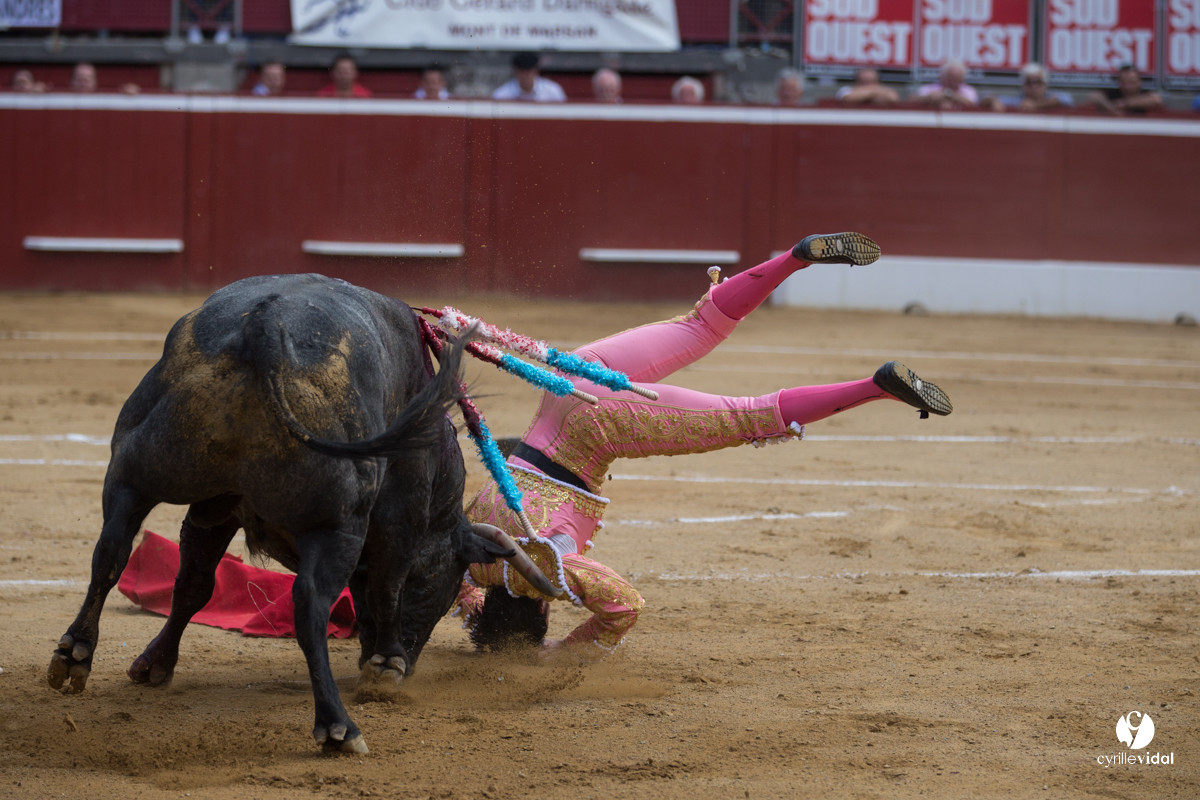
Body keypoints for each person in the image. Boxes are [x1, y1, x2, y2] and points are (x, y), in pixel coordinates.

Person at [453, 231, 953, 662]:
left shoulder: (546, 572)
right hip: (565, 383)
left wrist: (564, 653)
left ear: (539, 608)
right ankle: (796, 256)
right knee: (700, 325)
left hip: (599, 428)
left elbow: (623, 605)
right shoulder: (469, 552)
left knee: (748, 415)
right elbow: (458, 583)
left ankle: (879, 386)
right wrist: (470, 603)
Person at [982, 63, 1071, 113]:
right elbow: (985, 97)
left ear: (1045, 84)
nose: (1033, 86)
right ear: (1023, 85)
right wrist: (992, 101)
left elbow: (1066, 99)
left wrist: (1036, 105)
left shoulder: (1052, 98)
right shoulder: (1018, 101)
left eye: (1038, 82)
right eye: (1029, 82)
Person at [1088, 64, 1164, 115]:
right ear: (1119, 83)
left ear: (1139, 82)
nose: (1128, 86)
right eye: (1125, 82)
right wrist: (1110, 107)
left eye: (1132, 82)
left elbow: (1156, 99)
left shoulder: (1144, 93)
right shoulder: (1113, 94)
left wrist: (1124, 103)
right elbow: (1094, 96)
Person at [492, 52, 566, 102]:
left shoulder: (552, 91)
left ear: (536, 71)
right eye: (522, 71)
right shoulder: (501, 94)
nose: (526, 75)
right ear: (515, 72)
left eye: (529, 71)